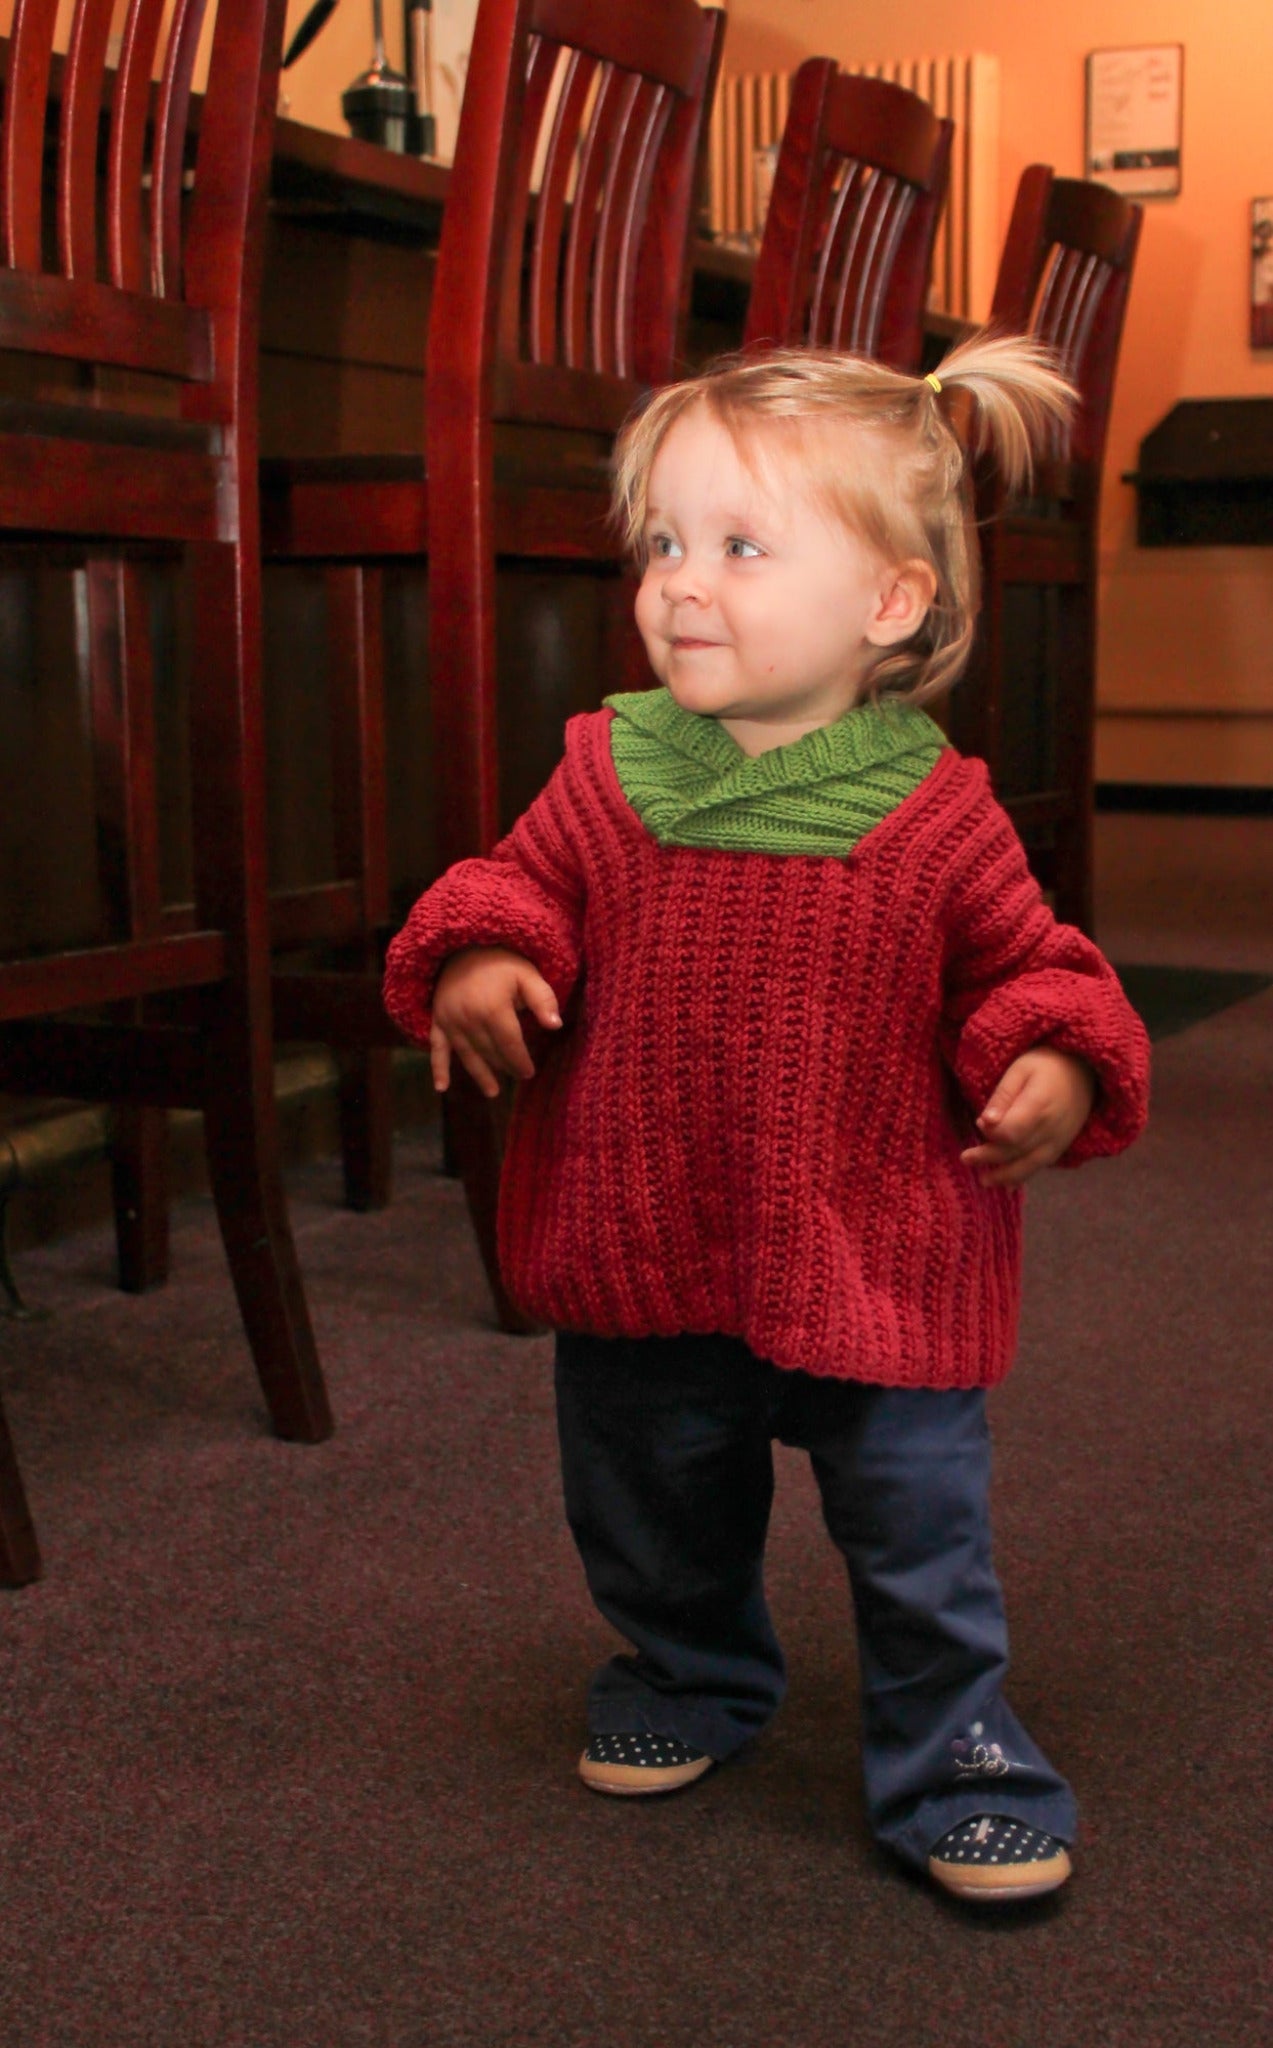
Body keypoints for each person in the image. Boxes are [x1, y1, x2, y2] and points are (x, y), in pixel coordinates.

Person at [383, 335, 1151, 1906]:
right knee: (649, 1494)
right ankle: (686, 1673)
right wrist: (482, 947)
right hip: (645, 1227)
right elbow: (513, 880)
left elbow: (1030, 966)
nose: (679, 583)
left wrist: (1054, 1059)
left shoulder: (937, 809)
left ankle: (953, 1750)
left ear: (889, 602)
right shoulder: (609, 768)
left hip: (880, 1241)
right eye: (662, 541)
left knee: (916, 1528)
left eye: (739, 547)